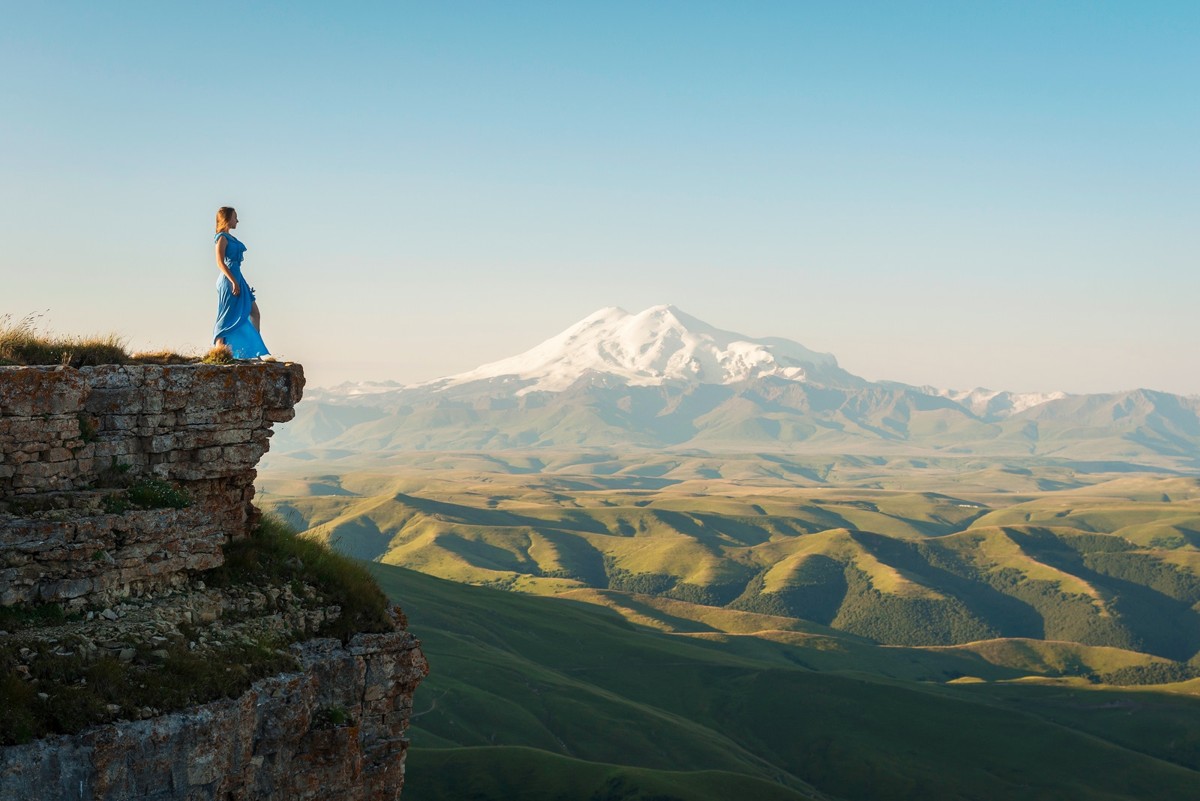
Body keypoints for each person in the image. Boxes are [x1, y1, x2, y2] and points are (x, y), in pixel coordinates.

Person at [212, 206, 271, 360]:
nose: (237, 220)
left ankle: (254, 351)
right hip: (228, 280)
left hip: (238, 278)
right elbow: (220, 262)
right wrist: (233, 282)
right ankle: (219, 348)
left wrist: (240, 282)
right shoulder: (221, 238)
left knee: (254, 312)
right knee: (226, 315)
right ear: (227, 219)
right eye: (234, 217)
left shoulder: (231, 238)